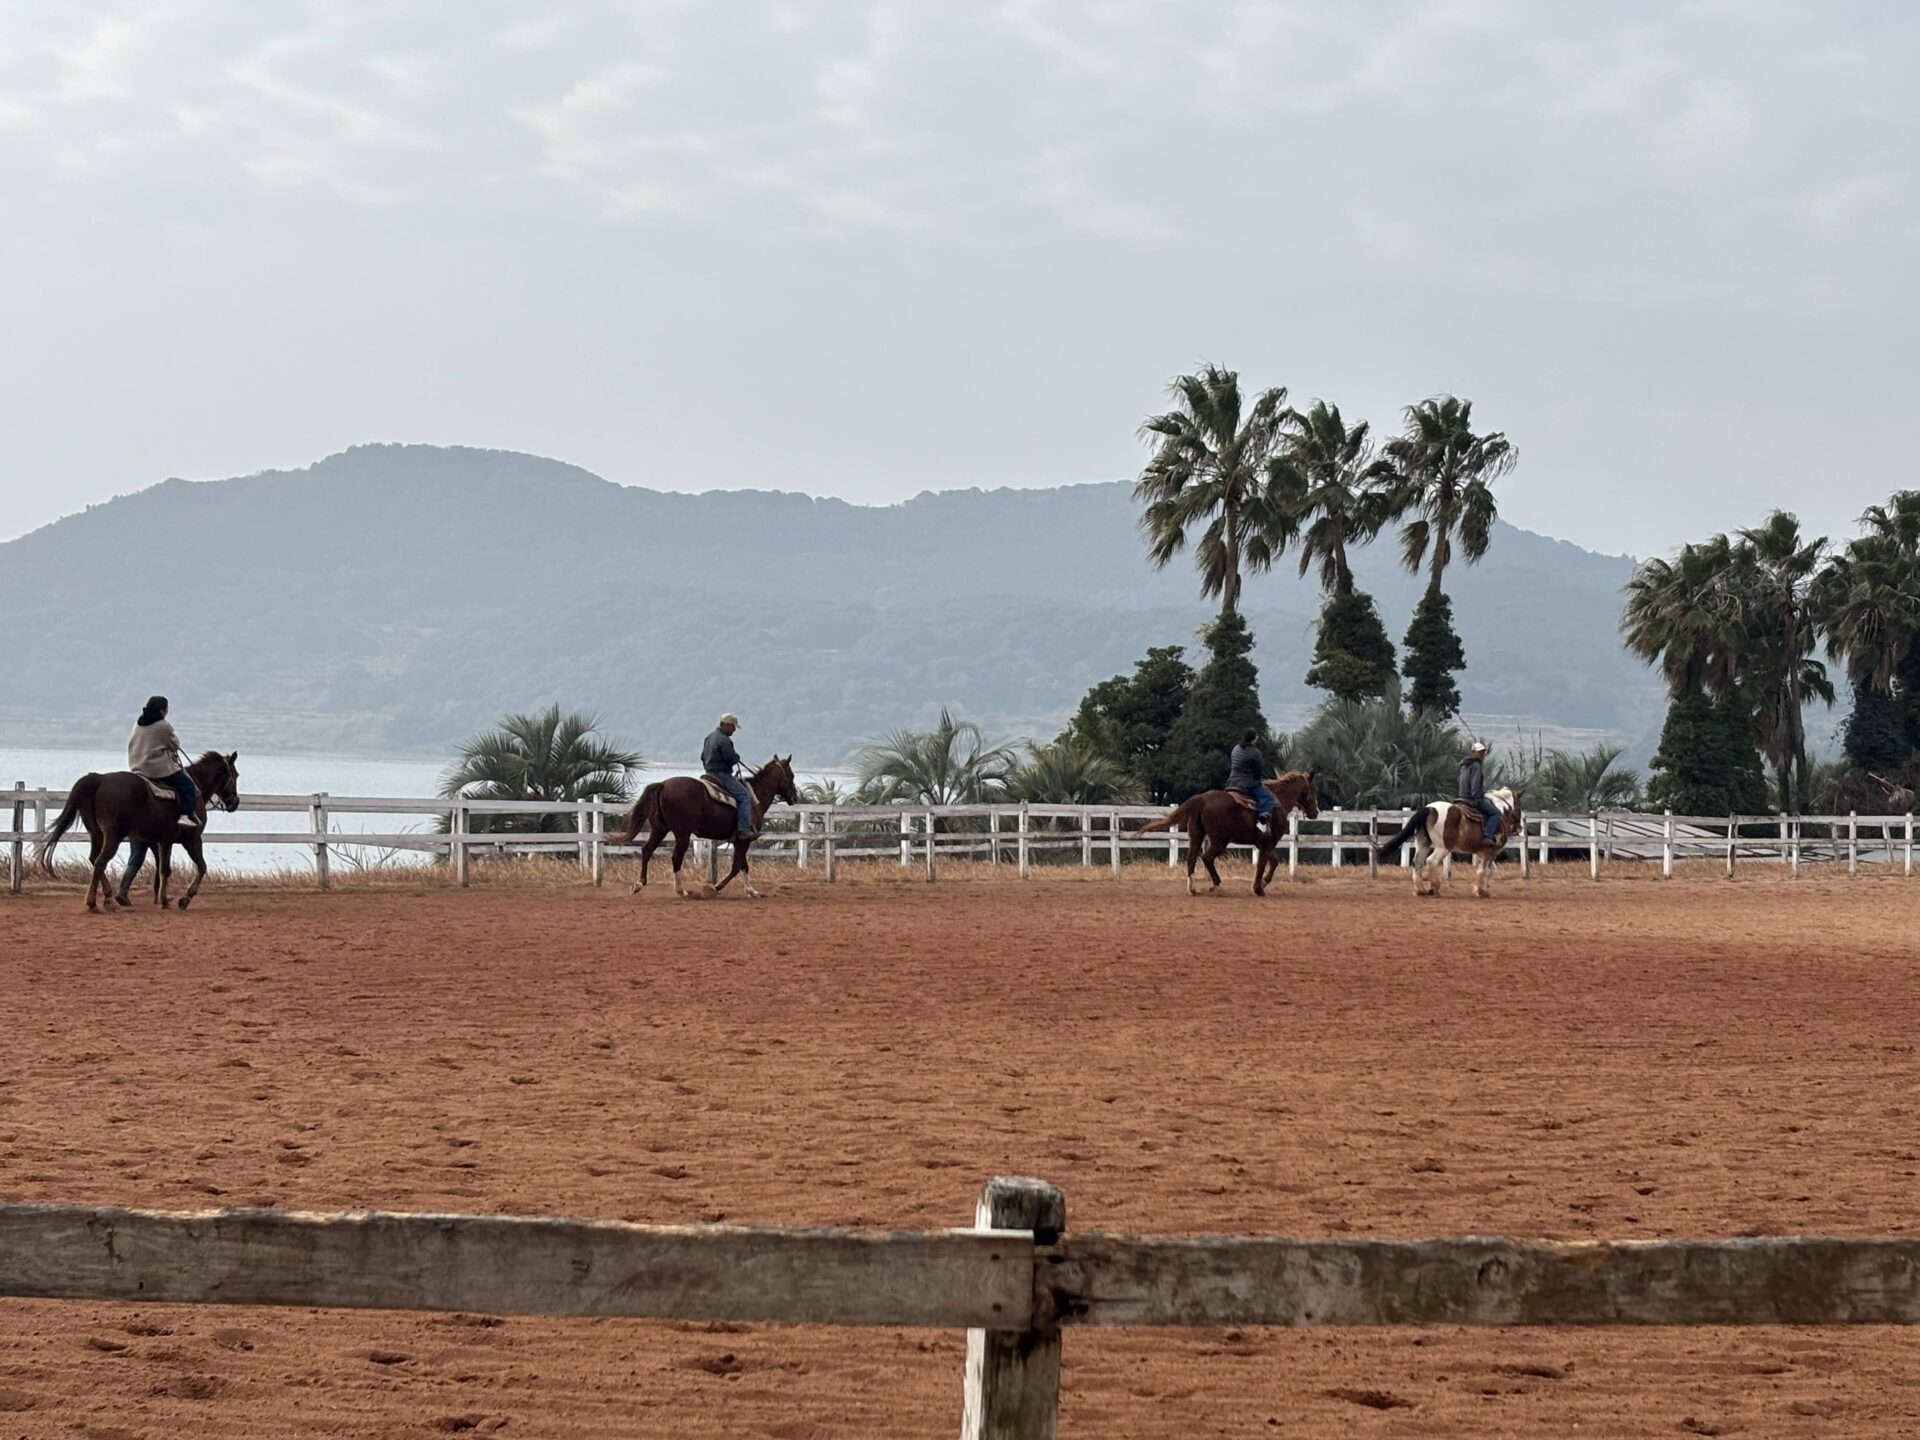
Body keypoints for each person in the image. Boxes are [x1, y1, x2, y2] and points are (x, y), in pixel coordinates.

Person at [128, 695, 198, 829]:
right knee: (188, 786)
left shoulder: (138, 723)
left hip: (136, 765)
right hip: (155, 768)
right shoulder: (163, 725)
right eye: (166, 710)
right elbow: (174, 745)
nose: (166, 713)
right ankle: (185, 815)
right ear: (162, 710)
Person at [702, 712, 758, 843]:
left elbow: (702, 757)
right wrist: (736, 757)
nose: (734, 730)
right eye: (733, 727)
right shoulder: (725, 740)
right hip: (722, 774)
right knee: (745, 796)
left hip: (708, 773)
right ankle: (743, 830)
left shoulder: (709, 737)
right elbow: (730, 758)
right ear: (727, 725)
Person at [1226, 728, 1278, 840]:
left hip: (1231, 782)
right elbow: (1258, 771)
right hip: (1248, 784)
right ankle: (1262, 821)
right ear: (1253, 739)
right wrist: (1258, 780)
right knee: (1269, 798)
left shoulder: (1236, 748)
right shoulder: (1255, 752)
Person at [1459, 739, 1501, 844]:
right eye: (1480, 752)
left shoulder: (1464, 765)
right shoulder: (1476, 765)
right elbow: (1475, 783)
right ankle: (1487, 836)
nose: (1482, 754)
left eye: (1483, 752)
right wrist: (1477, 797)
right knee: (1496, 814)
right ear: (1473, 752)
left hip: (1461, 797)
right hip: (1472, 799)